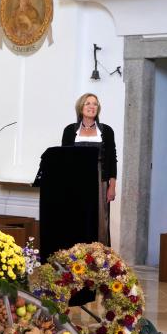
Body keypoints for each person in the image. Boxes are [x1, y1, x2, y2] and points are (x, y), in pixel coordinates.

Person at [61, 93, 118, 246]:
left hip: (99, 180)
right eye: (88, 103)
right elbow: (64, 160)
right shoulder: (69, 130)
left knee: (100, 219)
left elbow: (112, 159)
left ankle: (98, 256)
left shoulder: (106, 131)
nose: (92, 106)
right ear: (81, 107)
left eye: (95, 104)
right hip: (76, 181)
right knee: (76, 217)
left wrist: (112, 186)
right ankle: (75, 255)